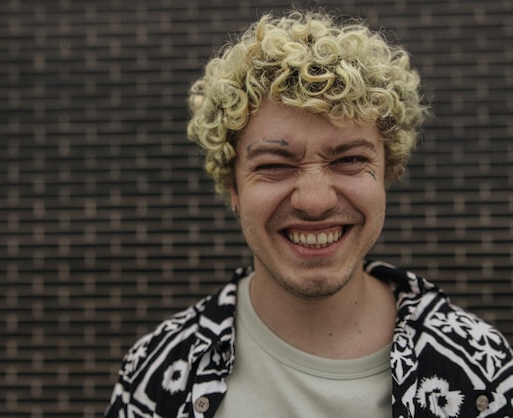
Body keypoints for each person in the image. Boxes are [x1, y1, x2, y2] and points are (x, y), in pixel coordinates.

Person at [105, 8, 513, 418]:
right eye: (274, 165)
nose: (314, 201)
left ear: (388, 171)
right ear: (233, 185)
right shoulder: (153, 375)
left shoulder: (482, 370)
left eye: (350, 159)